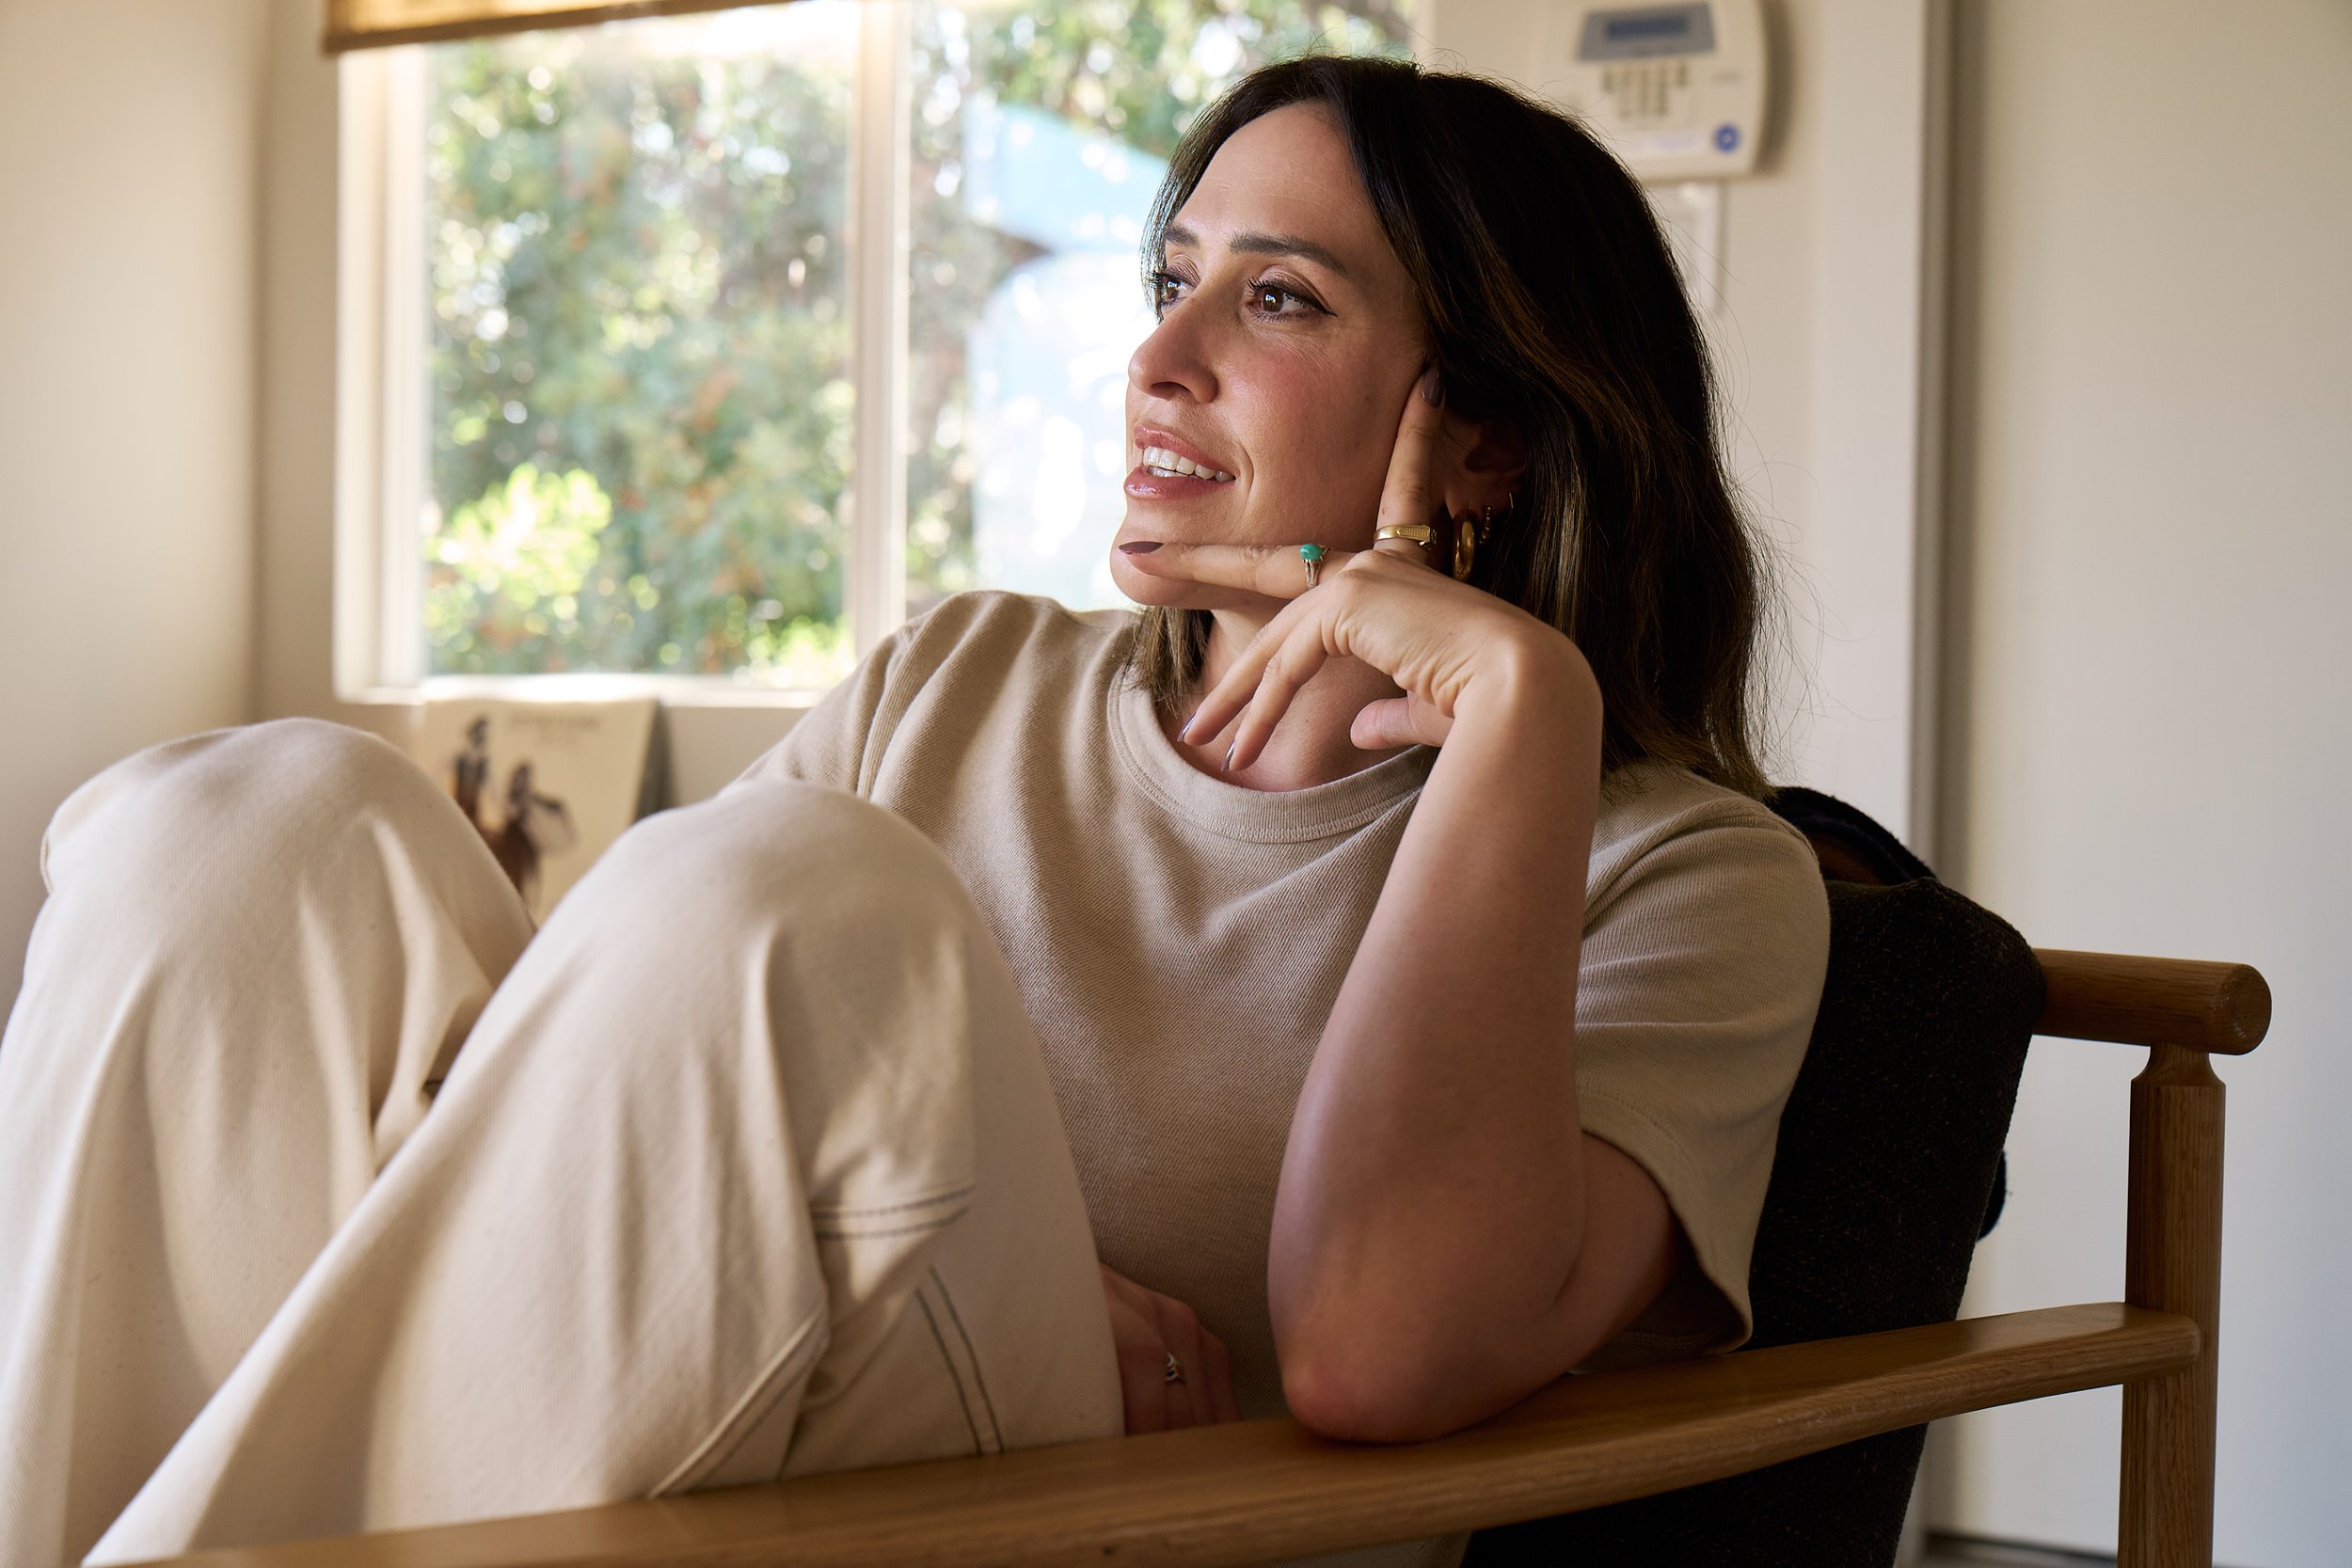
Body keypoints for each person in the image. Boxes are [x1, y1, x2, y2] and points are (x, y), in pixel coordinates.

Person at [0, 56, 1827, 1568]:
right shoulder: (960, 677)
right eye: (1166, 278)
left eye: (1272, 296)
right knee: (253, 824)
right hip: (740, 1420)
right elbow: (599, 1127)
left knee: (803, 896)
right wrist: (939, 1247)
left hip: (1127, 1522)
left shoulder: (1687, 880)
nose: (1157, 355)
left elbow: (1373, 1350)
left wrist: (1519, 707)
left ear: (1488, 435)